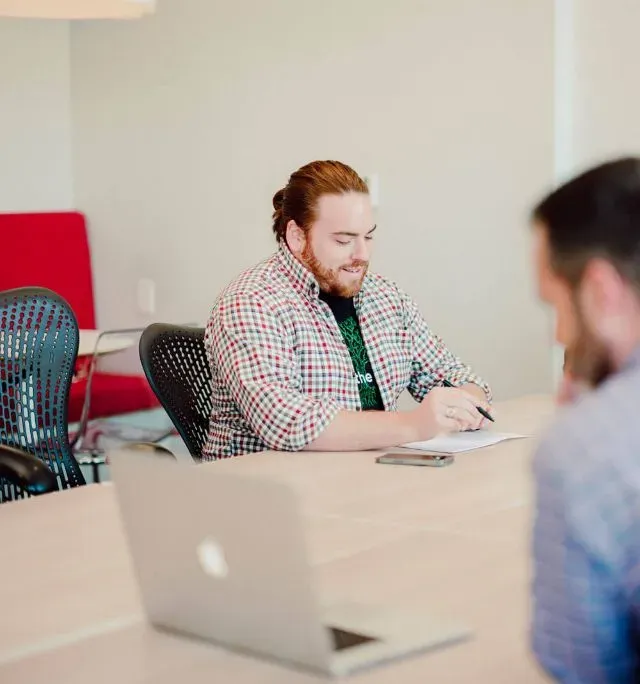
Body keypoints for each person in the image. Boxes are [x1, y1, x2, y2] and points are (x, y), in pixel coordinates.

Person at [203, 160, 491, 459]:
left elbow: (450, 373)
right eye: (344, 240)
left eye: (368, 236)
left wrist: (467, 401)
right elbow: (285, 421)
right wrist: (414, 425)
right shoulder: (251, 301)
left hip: (369, 480)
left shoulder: (387, 297)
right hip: (265, 495)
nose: (362, 255)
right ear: (297, 237)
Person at [531, 157, 640, 681]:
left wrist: (580, 425)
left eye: (557, 306)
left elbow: (580, 669)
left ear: (599, 290)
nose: (558, 335)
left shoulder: (587, 449)